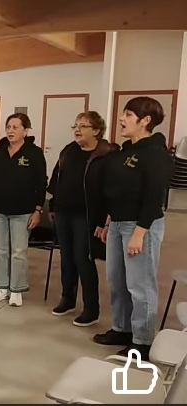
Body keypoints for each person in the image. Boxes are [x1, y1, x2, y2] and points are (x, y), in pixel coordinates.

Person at [93, 97, 173, 360]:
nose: (121, 118)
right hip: (118, 224)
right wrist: (108, 223)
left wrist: (139, 233)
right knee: (116, 281)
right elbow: (116, 191)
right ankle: (122, 328)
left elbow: (153, 197)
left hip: (140, 226)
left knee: (140, 285)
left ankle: (143, 341)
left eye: (128, 114)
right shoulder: (126, 151)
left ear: (145, 120)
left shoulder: (155, 153)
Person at [47, 111, 118, 327]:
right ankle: (67, 299)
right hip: (63, 213)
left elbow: (109, 192)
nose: (77, 130)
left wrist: (103, 221)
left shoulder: (105, 155)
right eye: (75, 126)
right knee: (66, 258)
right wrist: (53, 206)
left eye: (83, 126)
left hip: (86, 217)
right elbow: (57, 180)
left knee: (83, 259)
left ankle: (91, 309)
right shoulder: (68, 151)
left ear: (96, 130)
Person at [0, 113, 47, 307]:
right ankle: (1, 287)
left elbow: (41, 183)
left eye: (15, 127)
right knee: (0, 250)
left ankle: (17, 289)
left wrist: (38, 210)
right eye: (8, 127)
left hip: (23, 211)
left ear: (25, 131)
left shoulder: (34, 153)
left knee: (18, 251)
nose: (10, 131)